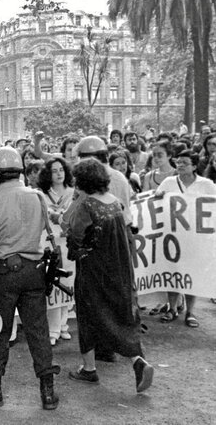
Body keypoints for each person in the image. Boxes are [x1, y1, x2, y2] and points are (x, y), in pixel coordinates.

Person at [0, 146, 60, 410]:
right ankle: (48, 391)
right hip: (34, 273)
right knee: (38, 331)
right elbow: (50, 233)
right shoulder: (37, 197)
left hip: (4, 273)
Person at [66, 159, 154, 393]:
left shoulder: (86, 206)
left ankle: (89, 369)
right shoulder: (114, 202)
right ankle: (137, 360)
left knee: (87, 315)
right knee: (120, 315)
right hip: (120, 269)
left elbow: (75, 236)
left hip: (94, 269)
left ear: (83, 181)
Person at [156, 150, 216, 328]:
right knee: (172, 271)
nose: (180, 165)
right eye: (179, 162)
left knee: (192, 273)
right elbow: (156, 203)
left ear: (195, 166)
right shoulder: (168, 182)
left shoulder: (206, 184)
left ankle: (190, 311)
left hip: (195, 238)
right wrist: (158, 197)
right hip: (172, 236)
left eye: (185, 163)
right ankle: (172, 308)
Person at [37, 157, 75, 346]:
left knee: (68, 282)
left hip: (67, 242)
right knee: (52, 283)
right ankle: (52, 329)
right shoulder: (42, 194)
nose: (59, 174)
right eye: (54, 171)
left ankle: (63, 325)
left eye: (61, 170)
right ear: (48, 174)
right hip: (49, 240)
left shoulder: (73, 192)